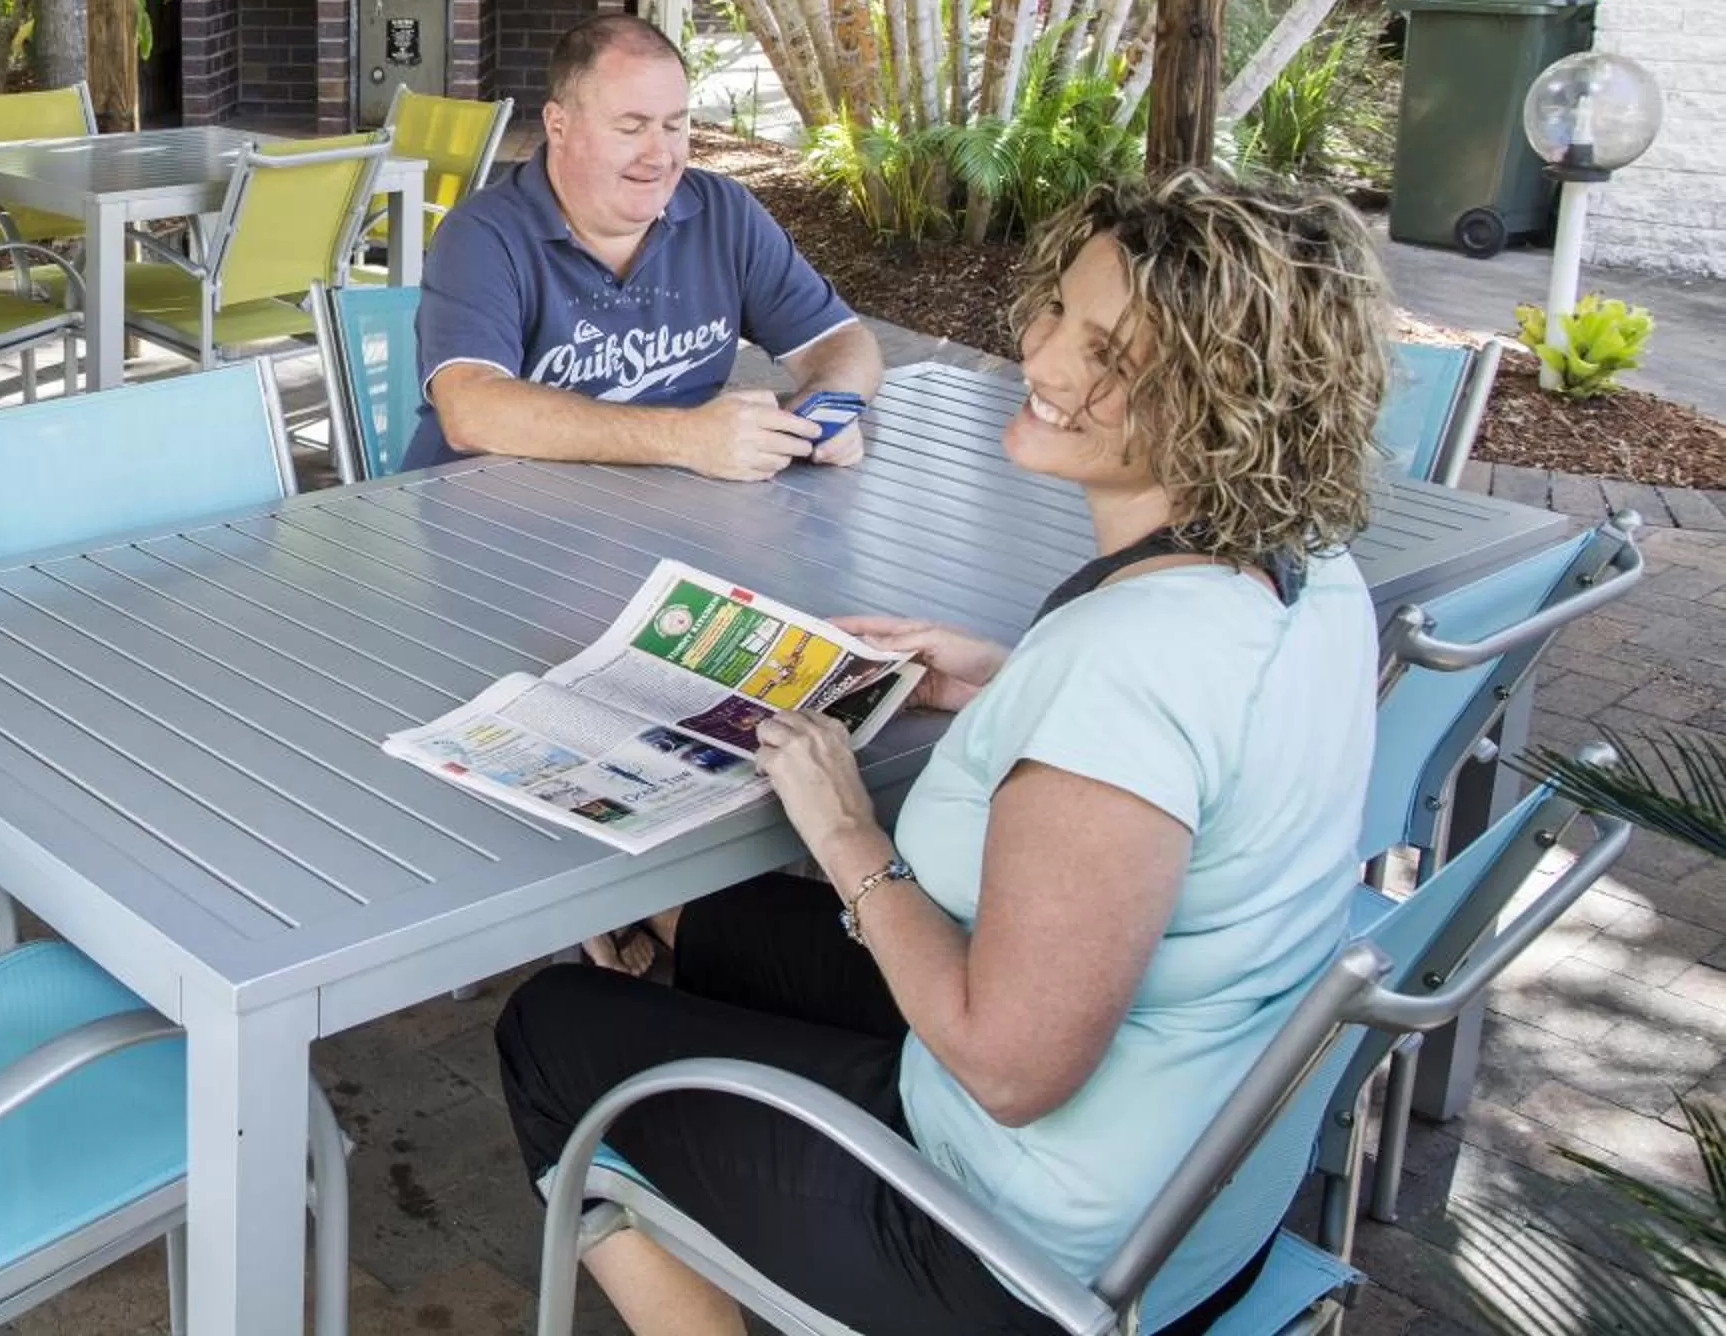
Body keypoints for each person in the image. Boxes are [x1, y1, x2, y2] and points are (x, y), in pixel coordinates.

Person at [495, 170, 1391, 1336]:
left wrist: (848, 834)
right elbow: (1192, 755)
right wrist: (1011, 684)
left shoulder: (1126, 668)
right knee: (687, 923)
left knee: (553, 1030)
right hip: (1191, 1192)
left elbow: (1014, 1068)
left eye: (1106, 348)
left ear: (1222, 401)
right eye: (1059, 307)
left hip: (1022, 1252)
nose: (1042, 351)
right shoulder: (1311, 572)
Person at [401, 14, 881, 477]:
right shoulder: (483, 236)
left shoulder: (723, 214)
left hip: (657, 514)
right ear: (558, 125)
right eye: (631, 128)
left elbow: (839, 340)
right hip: (486, 523)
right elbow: (472, 410)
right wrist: (686, 439)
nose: (659, 154)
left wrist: (826, 410)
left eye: (674, 126)